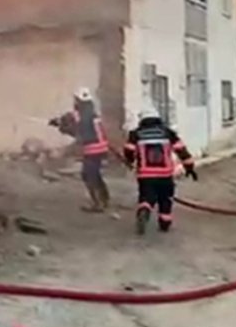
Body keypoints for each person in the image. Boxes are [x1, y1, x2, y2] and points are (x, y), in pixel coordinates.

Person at [123, 107, 197, 235]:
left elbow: (129, 150)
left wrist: (130, 161)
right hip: (165, 174)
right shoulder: (168, 133)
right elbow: (181, 151)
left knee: (146, 195)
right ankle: (164, 222)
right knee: (165, 198)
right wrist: (189, 168)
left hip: (145, 174)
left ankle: (144, 209)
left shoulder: (136, 134)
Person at [49, 88, 110, 212]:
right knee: (95, 173)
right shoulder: (92, 113)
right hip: (101, 148)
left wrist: (59, 125)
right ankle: (104, 198)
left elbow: (74, 130)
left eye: (75, 100)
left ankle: (98, 203)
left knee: (88, 175)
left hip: (92, 148)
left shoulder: (78, 115)